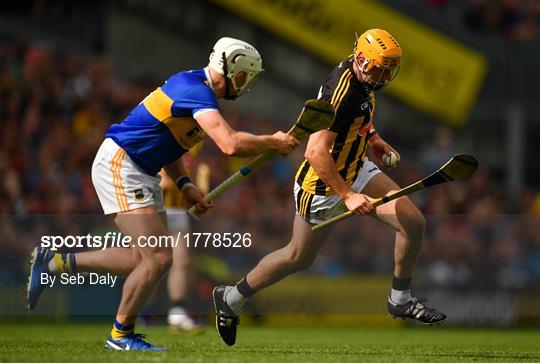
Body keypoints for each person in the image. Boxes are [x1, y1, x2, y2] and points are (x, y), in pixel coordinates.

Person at [26, 37, 298, 351]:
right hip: (123, 163)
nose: (245, 85)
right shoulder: (196, 92)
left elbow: (170, 147)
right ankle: (120, 335)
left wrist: (185, 185)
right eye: (245, 78)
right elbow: (231, 144)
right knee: (159, 257)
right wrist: (272, 143)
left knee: (140, 260)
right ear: (235, 72)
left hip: (142, 169)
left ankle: (54, 263)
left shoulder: (196, 91)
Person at [212, 29, 447, 347]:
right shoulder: (343, 90)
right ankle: (232, 298)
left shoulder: (362, 79)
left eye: (390, 68)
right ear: (362, 60)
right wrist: (347, 196)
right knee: (297, 257)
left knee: (413, 222)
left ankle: (400, 297)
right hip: (322, 186)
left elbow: (357, 114)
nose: (386, 75)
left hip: (357, 168)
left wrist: (373, 138)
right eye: (381, 68)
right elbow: (314, 152)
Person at [160, 144, 207, 334]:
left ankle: (177, 311)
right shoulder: (164, 135)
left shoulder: (196, 146)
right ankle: (136, 312)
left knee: (183, 260)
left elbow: (198, 178)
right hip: (152, 206)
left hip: (178, 210)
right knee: (146, 261)